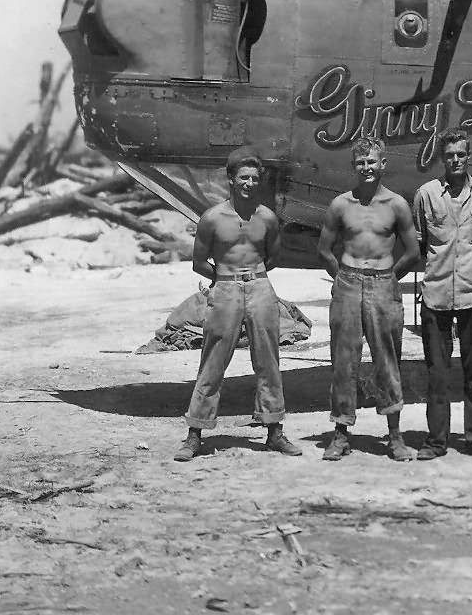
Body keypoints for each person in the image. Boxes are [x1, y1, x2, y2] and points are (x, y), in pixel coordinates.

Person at [174, 147, 302, 462]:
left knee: (268, 361)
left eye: (255, 179)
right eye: (243, 177)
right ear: (231, 179)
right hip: (226, 290)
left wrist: (252, 278)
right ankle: (194, 434)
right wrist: (225, 279)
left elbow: (272, 257)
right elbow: (199, 261)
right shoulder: (212, 218)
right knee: (213, 361)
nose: (249, 183)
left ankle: (274, 431)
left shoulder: (267, 217)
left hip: (260, 288)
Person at [317, 136, 421, 462]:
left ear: (383, 164)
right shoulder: (340, 205)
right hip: (347, 284)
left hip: (383, 285)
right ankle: (340, 433)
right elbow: (324, 249)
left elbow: (413, 252)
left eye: (372, 162)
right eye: (360, 163)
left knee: (387, 361)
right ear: (353, 166)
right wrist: (342, 277)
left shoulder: (397, 205)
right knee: (343, 362)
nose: (366, 168)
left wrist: (390, 277)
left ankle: (394, 437)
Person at [412, 129, 472, 460]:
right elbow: (420, 241)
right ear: (442, 158)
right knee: (437, 374)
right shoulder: (426, 195)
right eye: (449, 155)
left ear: (469, 156)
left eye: (460, 154)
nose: (455, 160)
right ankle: (436, 441)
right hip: (436, 295)